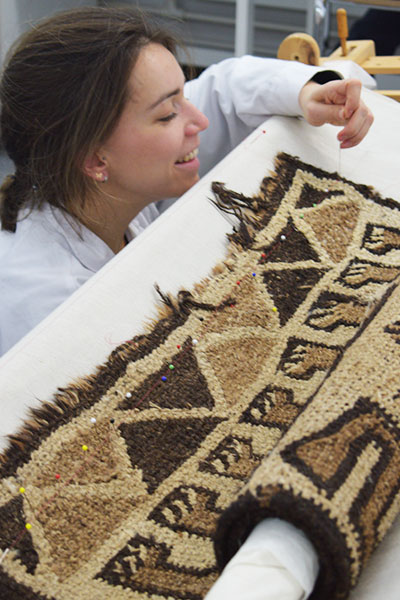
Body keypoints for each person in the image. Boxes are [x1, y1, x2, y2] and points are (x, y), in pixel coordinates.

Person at [0, 6, 373, 357]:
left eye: (184, 93)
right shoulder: (46, 311)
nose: (199, 122)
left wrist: (310, 91)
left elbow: (225, 89)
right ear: (95, 158)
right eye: (167, 114)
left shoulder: (86, 194)